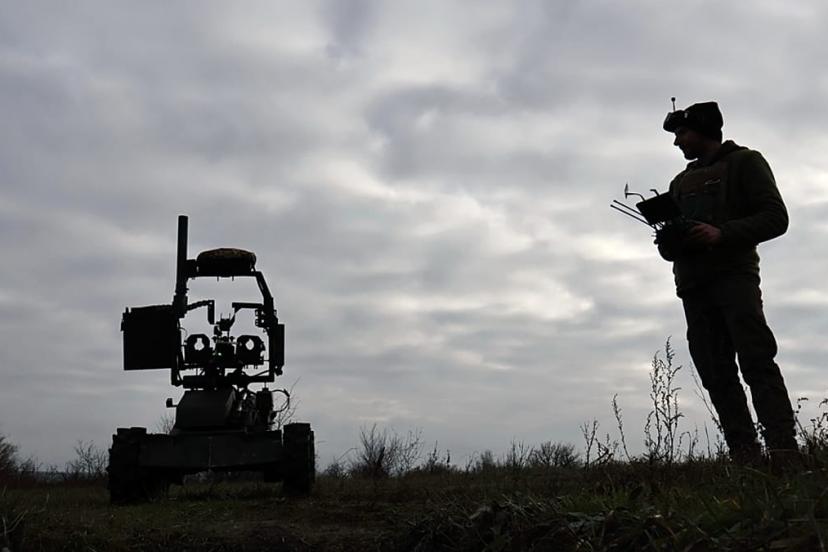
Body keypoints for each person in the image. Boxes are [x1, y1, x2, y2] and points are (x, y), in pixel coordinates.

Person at [657, 101, 798, 465]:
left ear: (703, 130)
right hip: (693, 288)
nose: (677, 143)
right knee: (716, 374)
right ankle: (745, 458)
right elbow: (672, 248)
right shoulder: (679, 182)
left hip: (735, 280)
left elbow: (775, 217)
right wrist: (670, 241)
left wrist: (722, 234)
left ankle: (784, 453)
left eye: (682, 134)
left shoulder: (745, 162)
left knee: (757, 361)